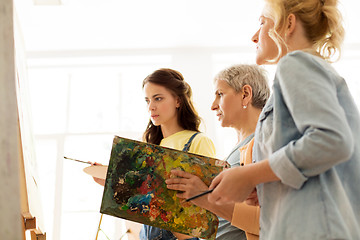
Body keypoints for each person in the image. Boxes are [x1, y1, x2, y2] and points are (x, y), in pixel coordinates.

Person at [207, 0, 360, 239]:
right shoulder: (321, 71)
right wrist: (267, 188)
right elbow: (324, 162)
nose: (254, 36)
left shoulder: (295, 63)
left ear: (288, 24)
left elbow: (332, 140)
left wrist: (250, 175)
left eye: (262, 23)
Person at [166, 64, 270, 240]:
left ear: (245, 95)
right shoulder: (240, 149)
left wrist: (204, 196)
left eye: (220, 94)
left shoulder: (264, 144)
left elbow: (267, 220)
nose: (213, 106)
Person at [139, 68, 217, 240]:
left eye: (158, 98)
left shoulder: (199, 141)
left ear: (178, 101)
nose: (151, 106)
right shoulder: (150, 147)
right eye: (147, 100)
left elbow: (207, 211)